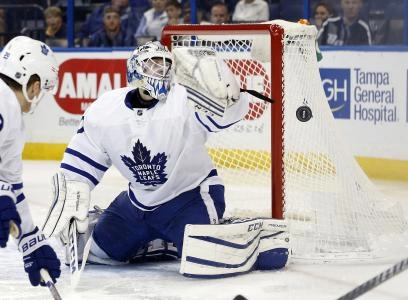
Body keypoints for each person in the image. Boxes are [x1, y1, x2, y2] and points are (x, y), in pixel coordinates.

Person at [41, 41, 250, 267]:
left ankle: (244, 237)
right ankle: (161, 241)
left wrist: (229, 96)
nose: (161, 70)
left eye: (165, 65)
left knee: (207, 259)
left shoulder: (184, 98)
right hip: (138, 203)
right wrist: (71, 202)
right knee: (92, 251)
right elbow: (80, 164)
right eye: (153, 64)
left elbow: (226, 117)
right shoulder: (105, 109)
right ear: (134, 70)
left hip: (190, 197)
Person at [0, 36, 61, 286]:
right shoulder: (4, 102)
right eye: (43, 89)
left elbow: (11, 185)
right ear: (33, 85)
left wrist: (30, 240)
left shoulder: (12, 115)